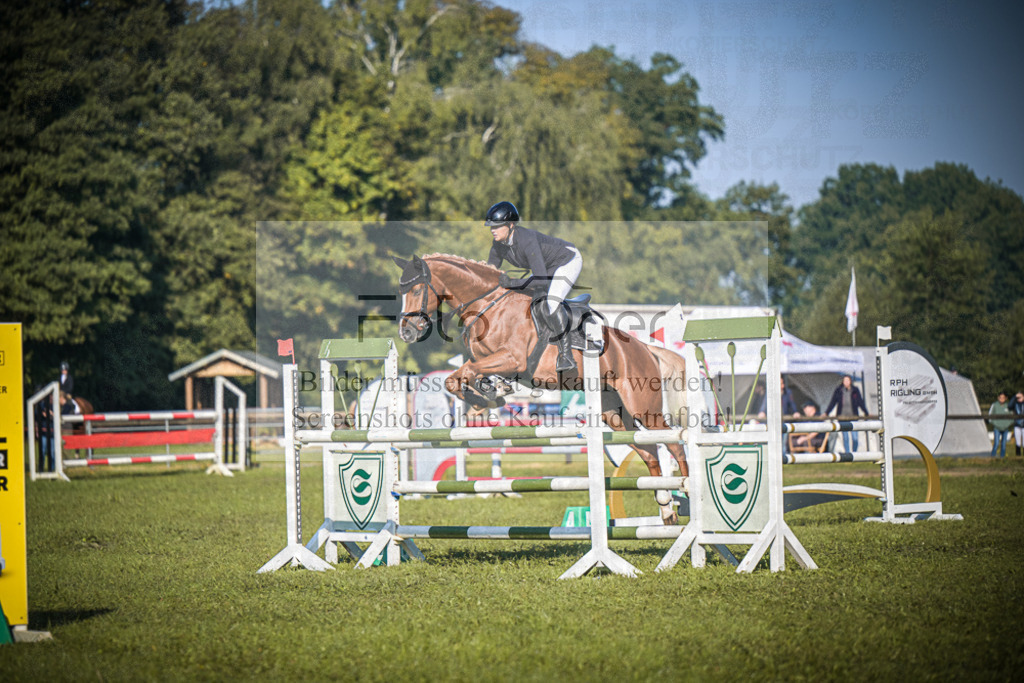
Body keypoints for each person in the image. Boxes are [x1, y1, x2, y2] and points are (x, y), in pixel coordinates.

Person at [485, 201, 583, 372]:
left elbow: (541, 280)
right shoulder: (498, 245)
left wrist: (512, 283)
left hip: (567, 261)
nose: (493, 229)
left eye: (498, 225)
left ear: (511, 225)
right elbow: (489, 272)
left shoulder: (527, 240)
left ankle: (566, 355)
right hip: (546, 269)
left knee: (551, 304)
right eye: (491, 225)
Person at [825, 374, 868, 452]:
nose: (846, 382)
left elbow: (860, 402)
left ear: (850, 381)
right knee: (845, 438)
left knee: (855, 438)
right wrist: (826, 412)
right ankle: (848, 454)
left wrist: (866, 412)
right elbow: (833, 402)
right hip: (842, 417)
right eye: (845, 381)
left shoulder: (855, 390)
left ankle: (854, 453)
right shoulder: (839, 390)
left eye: (848, 380)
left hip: (854, 417)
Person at [757, 376, 801, 454]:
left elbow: (792, 404)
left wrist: (795, 412)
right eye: (780, 384)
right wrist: (762, 411)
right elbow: (765, 403)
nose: (782, 386)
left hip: (783, 421)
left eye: (783, 383)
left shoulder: (787, 392)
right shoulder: (770, 393)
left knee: (783, 442)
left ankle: (782, 457)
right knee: (772, 440)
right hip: (773, 422)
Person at [988, 392, 1013, 458]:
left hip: (1005, 428)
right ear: (998, 398)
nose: (1002, 399)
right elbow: (990, 416)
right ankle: (992, 458)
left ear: (1006, 398)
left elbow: (1012, 417)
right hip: (997, 428)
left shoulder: (1008, 406)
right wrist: (995, 423)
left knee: (1004, 444)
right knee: (996, 444)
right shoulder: (994, 405)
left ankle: (1002, 458)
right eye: (1000, 397)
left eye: (1003, 398)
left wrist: (1008, 424)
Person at [1013, 392, 1024, 457]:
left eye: (1020, 397)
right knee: (1018, 442)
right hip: (1017, 425)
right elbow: (1010, 405)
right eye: (1018, 398)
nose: (1019, 399)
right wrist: (1015, 396)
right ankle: (1018, 456)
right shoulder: (1015, 404)